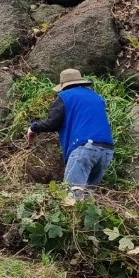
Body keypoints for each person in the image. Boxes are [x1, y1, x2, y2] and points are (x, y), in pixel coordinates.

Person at [27, 69, 114, 200]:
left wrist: (33, 127)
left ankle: (70, 218)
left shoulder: (65, 96)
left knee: (72, 196)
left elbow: (53, 123)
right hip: (106, 151)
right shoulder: (96, 97)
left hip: (84, 148)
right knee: (87, 199)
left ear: (63, 85)